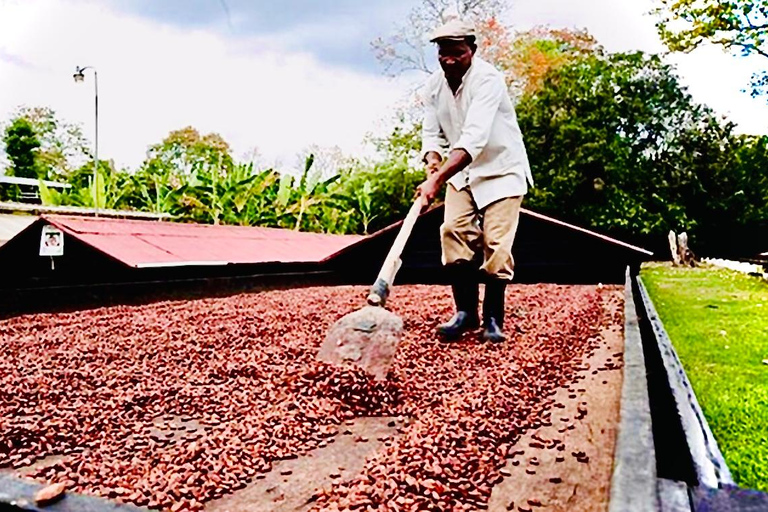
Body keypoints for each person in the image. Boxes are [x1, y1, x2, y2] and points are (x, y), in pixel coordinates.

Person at [416, 17, 534, 343]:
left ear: (472, 49)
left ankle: (493, 320)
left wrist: (436, 181)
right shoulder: (434, 87)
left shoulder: (488, 80)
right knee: (452, 231)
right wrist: (432, 161)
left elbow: (473, 140)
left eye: (457, 52)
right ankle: (466, 313)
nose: (449, 60)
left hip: (501, 170)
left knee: (496, 244)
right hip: (462, 173)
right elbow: (431, 132)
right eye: (443, 53)